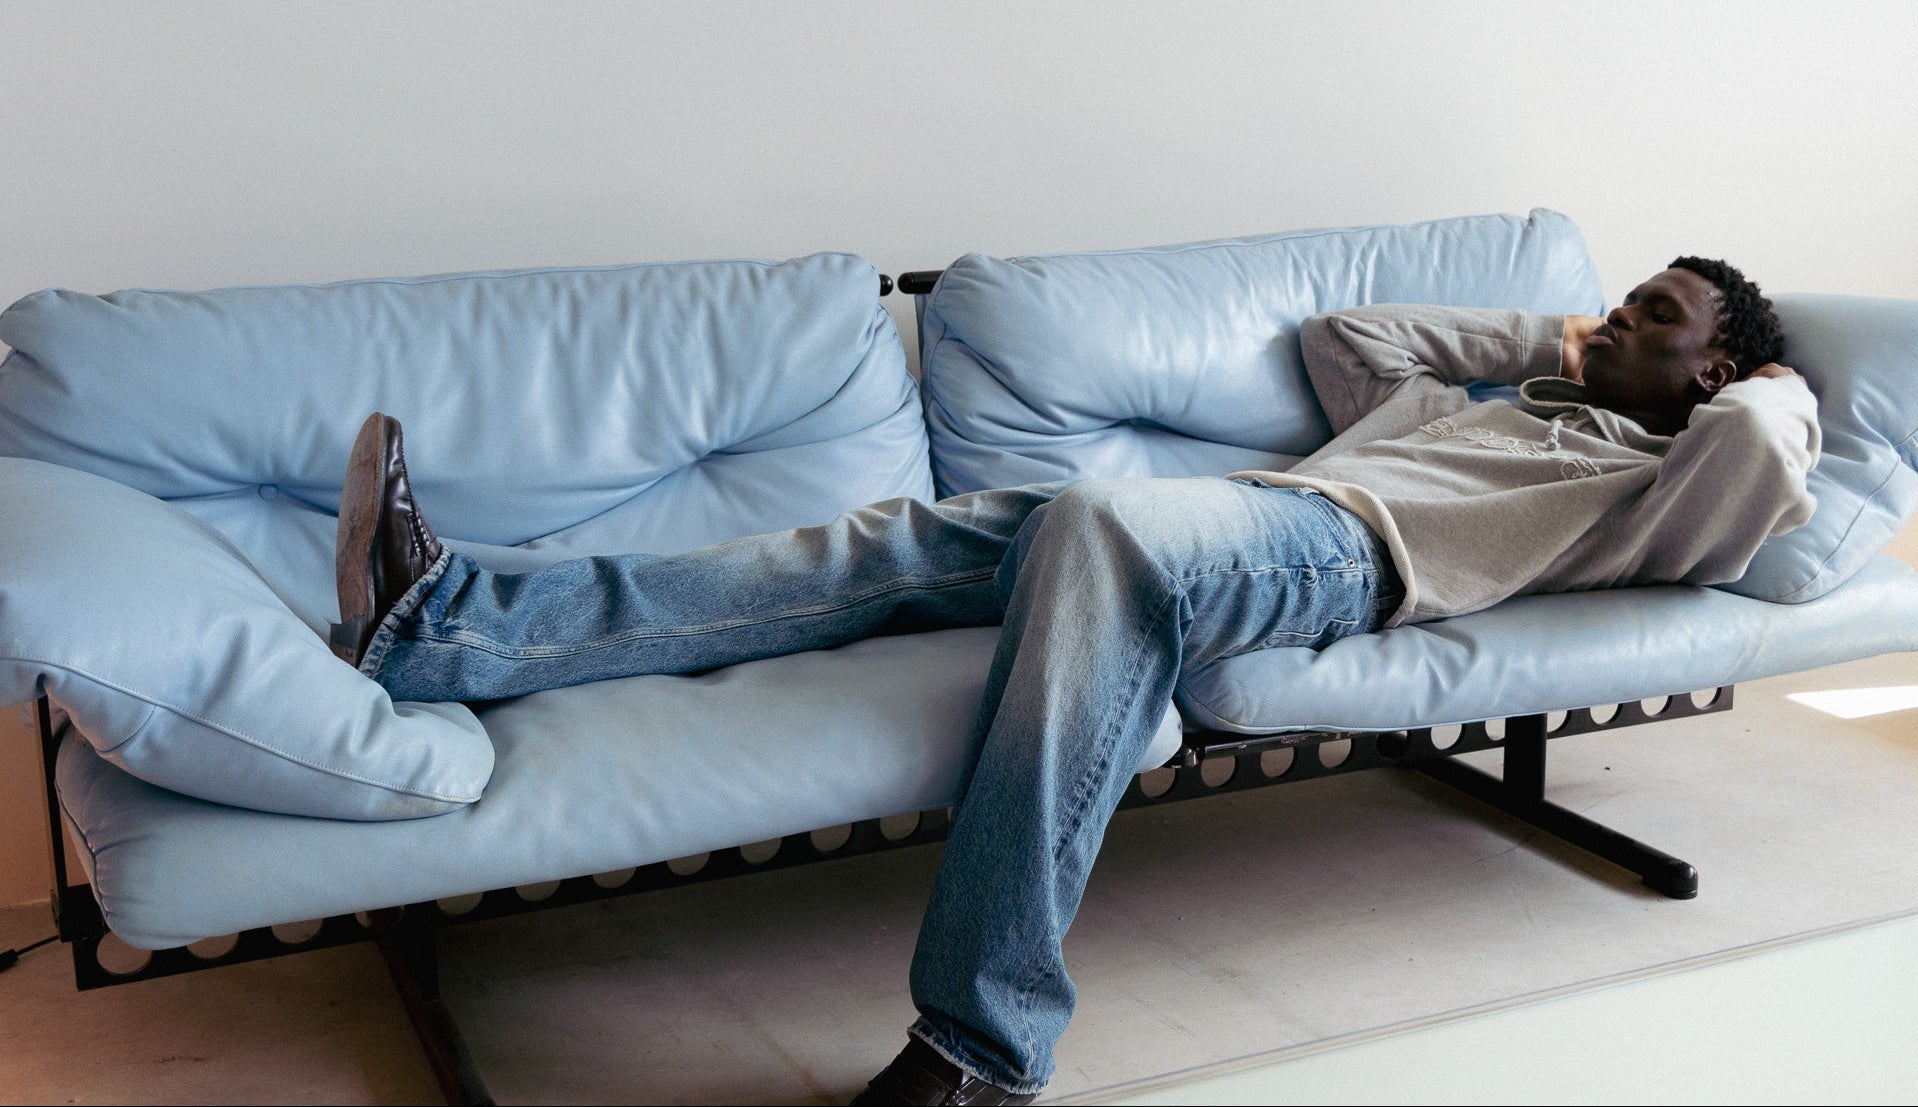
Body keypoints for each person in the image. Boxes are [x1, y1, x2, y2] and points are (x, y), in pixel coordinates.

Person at [330, 256, 1819, 1105]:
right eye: (1624, 298)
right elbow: (1345, 337)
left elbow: (1761, 444)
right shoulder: (1480, 397)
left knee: (1100, 525)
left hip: (1336, 557)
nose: (1623, 316)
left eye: (1659, 318)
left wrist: (1766, 377)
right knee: (884, 543)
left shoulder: (1661, 478)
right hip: (1235, 517)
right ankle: (452, 624)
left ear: (1715, 373)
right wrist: (1553, 334)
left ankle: (980, 1042)